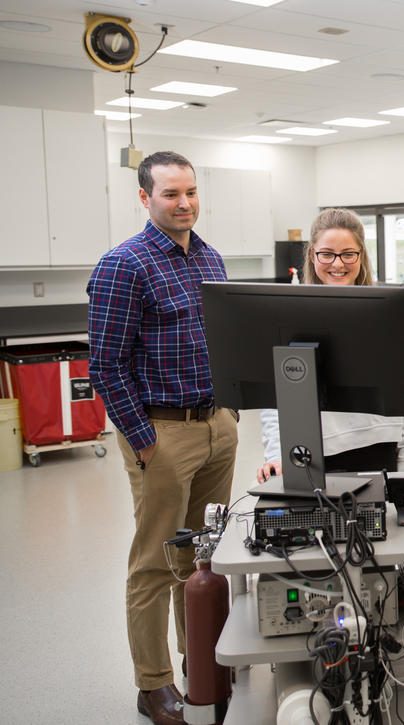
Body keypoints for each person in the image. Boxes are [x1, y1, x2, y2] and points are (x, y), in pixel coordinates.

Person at [88, 151, 240, 725]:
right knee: (157, 562)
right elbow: (105, 363)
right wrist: (143, 438)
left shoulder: (209, 257)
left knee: (203, 559)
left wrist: (229, 412)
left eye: (191, 192)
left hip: (215, 425)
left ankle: (199, 663)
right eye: (171, 194)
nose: (184, 204)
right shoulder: (123, 265)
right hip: (162, 431)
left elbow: (219, 339)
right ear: (145, 197)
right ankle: (152, 685)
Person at [255, 208, 404, 483]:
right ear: (312, 255)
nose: (337, 264)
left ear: (361, 255)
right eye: (327, 254)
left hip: (381, 449)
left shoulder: (388, 314)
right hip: (316, 452)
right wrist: (276, 455)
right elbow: (274, 399)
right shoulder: (287, 315)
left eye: (348, 254)